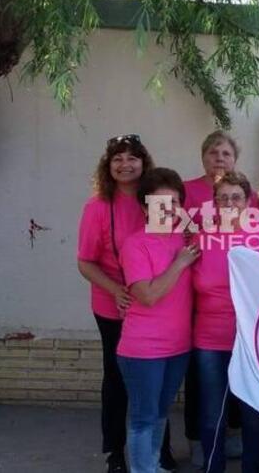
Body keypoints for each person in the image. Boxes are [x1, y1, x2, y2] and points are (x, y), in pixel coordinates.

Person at [77, 135, 176, 473]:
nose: (125, 165)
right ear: (108, 166)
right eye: (117, 159)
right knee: (119, 381)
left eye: (132, 158)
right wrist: (115, 289)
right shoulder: (97, 207)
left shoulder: (158, 200)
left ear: (143, 162)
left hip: (156, 306)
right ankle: (116, 453)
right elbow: (85, 262)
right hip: (114, 305)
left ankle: (159, 452)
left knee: (157, 385)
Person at [192, 172, 259, 473]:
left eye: (236, 197)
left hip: (252, 339)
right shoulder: (202, 238)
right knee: (212, 413)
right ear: (215, 203)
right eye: (223, 198)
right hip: (210, 338)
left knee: (253, 414)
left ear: (248, 201)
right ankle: (212, 467)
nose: (230, 203)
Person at [117, 168, 198, 473]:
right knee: (143, 417)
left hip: (179, 345)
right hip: (143, 349)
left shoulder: (184, 238)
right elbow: (148, 295)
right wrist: (179, 263)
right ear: (145, 207)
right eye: (159, 204)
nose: (168, 210)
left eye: (174, 203)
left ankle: (151, 465)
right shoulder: (135, 244)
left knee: (161, 412)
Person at [182, 130, 248, 463]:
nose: (219, 158)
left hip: (239, 315)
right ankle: (201, 441)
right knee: (202, 383)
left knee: (238, 387)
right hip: (199, 294)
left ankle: (233, 435)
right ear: (203, 156)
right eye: (213, 152)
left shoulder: (246, 199)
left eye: (225, 153)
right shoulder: (187, 190)